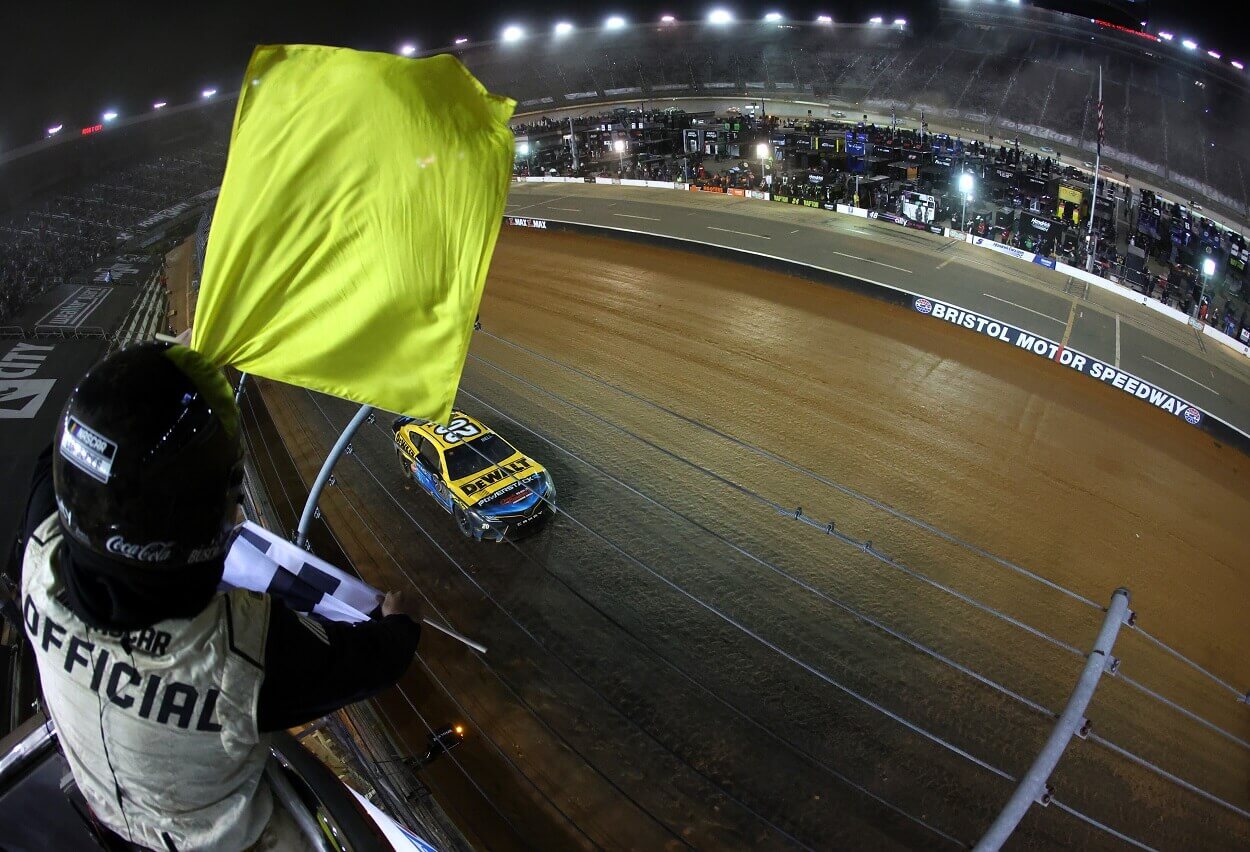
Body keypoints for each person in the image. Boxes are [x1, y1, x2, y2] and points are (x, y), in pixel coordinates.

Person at [18, 342, 423, 851]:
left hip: (106, 817)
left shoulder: (39, 553)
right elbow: (368, 663)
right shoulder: (241, 653)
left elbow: (70, 461)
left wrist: (149, 384)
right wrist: (400, 624)